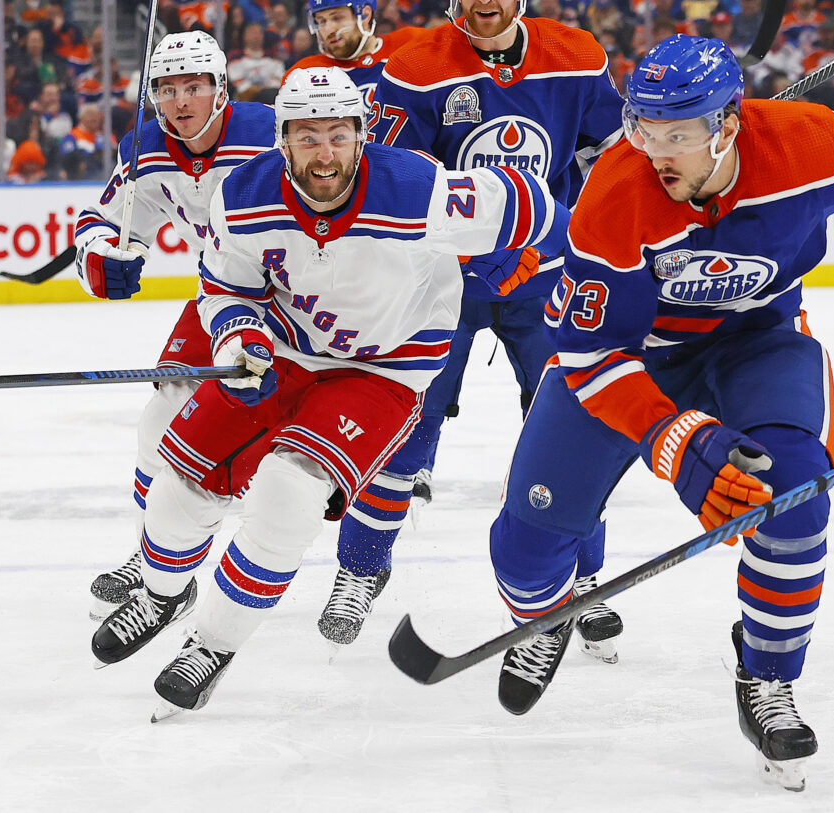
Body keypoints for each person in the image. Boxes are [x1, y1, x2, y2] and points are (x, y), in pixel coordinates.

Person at [484, 35, 834, 792]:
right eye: (642, 127)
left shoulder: (816, 144)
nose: (654, 150)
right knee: (525, 550)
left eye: (676, 133)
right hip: (631, 359)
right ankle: (548, 612)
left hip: (757, 342)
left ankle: (767, 674)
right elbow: (589, 356)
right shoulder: (615, 192)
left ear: (726, 124)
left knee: (794, 499)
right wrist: (674, 441)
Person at [89, 67, 570, 720]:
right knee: (178, 492)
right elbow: (228, 286)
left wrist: (544, 257)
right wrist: (238, 340)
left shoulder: (417, 190)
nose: (325, 152)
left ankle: (212, 644)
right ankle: (162, 592)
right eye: (308, 136)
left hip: (384, 366)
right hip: (287, 351)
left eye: (339, 135)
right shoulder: (245, 196)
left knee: (289, 492)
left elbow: (534, 208)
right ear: (281, 140)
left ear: (360, 136)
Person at [320, 0, 628, 659]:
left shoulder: (577, 57)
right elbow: (390, 185)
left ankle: (582, 575)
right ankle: (360, 566)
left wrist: (574, 220)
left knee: (574, 426)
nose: (483, 4)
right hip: (441, 282)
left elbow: (614, 157)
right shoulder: (416, 69)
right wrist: (475, 249)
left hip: (545, 277)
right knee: (404, 424)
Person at [74, 31, 278, 621]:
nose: (180, 100)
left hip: (308, 299)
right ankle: (152, 554)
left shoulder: (269, 132)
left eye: (193, 86)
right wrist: (101, 256)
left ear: (221, 89)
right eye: (166, 89)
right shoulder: (146, 146)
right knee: (159, 419)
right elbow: (104, 219)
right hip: (223, 293)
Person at [285, 0, 426, 108]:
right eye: (321, 21)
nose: (328, 29)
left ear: (364, 15)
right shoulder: (304, 72)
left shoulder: (412, 43)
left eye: (336, 18)